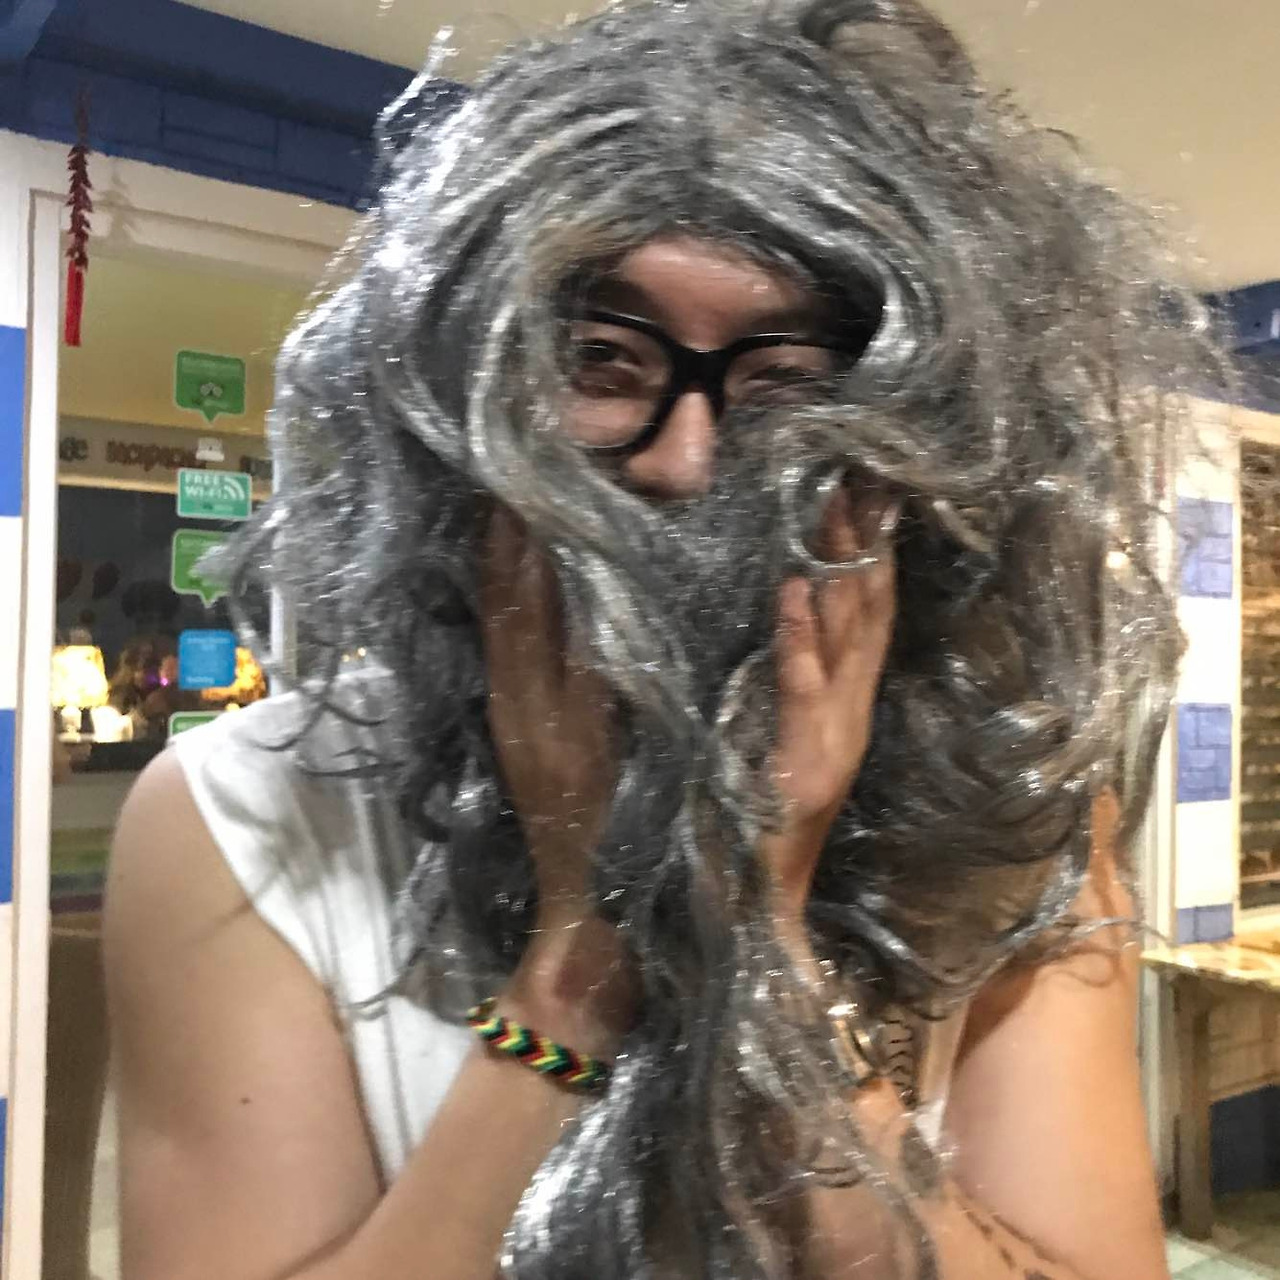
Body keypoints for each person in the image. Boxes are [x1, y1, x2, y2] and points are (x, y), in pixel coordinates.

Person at [105, 2, 1213, 1278]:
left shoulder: (1011, 819)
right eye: (602, 358)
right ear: (464, 389)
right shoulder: (248, 814)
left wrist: (756, 928)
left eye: (783, 384)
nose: (685, 462)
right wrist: (579, 956)